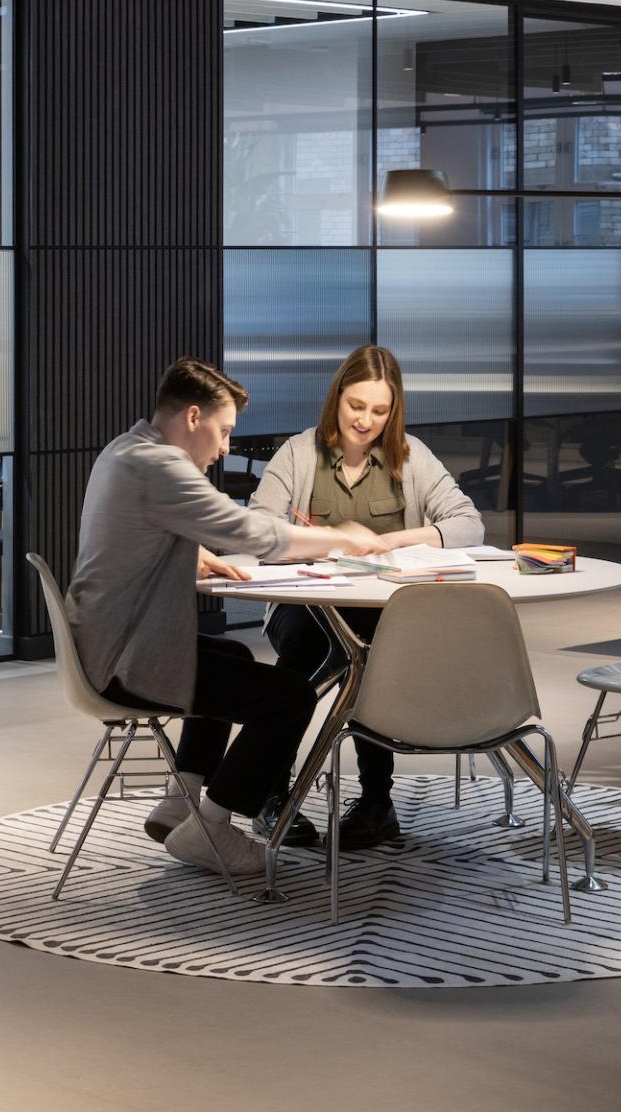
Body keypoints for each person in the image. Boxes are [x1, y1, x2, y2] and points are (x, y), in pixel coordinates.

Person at [66, 357, 397, 878]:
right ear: (192, 418)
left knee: (234, 655)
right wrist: (343, 536)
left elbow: (134, 530)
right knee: (290, 697)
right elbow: (255, 533)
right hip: (125, 660)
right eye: (223, 432)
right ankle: (212, 828)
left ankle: (182, 800)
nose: (224, 448)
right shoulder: (162, 467)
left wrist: (185, 547)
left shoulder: (126, 450)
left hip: (107, 644)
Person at [248, 344, 485, 851]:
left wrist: (395, 540)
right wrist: (332, 541)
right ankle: (273, 795)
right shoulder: (298, 453)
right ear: (337, 398)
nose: (366, 420)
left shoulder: (411, 456)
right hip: (306, 607)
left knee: (372, 657)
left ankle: (378, 802)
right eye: (357, 406)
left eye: (380, 411)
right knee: (304, 655)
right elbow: (257, 529)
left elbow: (468, 525)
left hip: (384, 610)